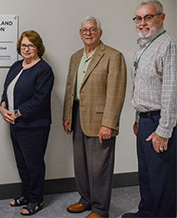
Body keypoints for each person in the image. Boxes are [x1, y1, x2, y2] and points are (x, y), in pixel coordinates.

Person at [63, 16, 127, 218]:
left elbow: (116, 92)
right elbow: (70, 88)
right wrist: (67, 116)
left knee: (100, 166)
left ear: (100, 32)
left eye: (92, 29)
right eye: (84, 30)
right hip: (77, 116)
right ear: (80, 33)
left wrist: (108, 123)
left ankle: (100, 208)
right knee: (81, 164)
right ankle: (85, 200)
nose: (88, 33)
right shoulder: (76, 57)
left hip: (100, 120)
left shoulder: (113, 56)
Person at [122, 0, 176, 218]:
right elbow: (142, 87)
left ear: (161, 18)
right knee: (146, 175)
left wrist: (163, 130)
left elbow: (171, 91)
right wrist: (138, 117)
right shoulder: (143, 47)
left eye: (148, 17)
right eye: (138, 18)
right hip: (145, 121)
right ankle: (146, 213)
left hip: (159, 122)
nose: (142, 22)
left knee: (162, 178)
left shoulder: (168, 45)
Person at [0, 30, 54, 216]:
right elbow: (6, 90)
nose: (27, 49)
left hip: (34, 125)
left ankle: (36, 200)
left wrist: (18, 113)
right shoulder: (16, 66)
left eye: (31, 45)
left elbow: (40, 99)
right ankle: (26, 195)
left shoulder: (44, 70)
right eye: (24, 45)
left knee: (34, 164)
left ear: (38, 47)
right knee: (22, 163)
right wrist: (2, 107)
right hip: (15, 124)